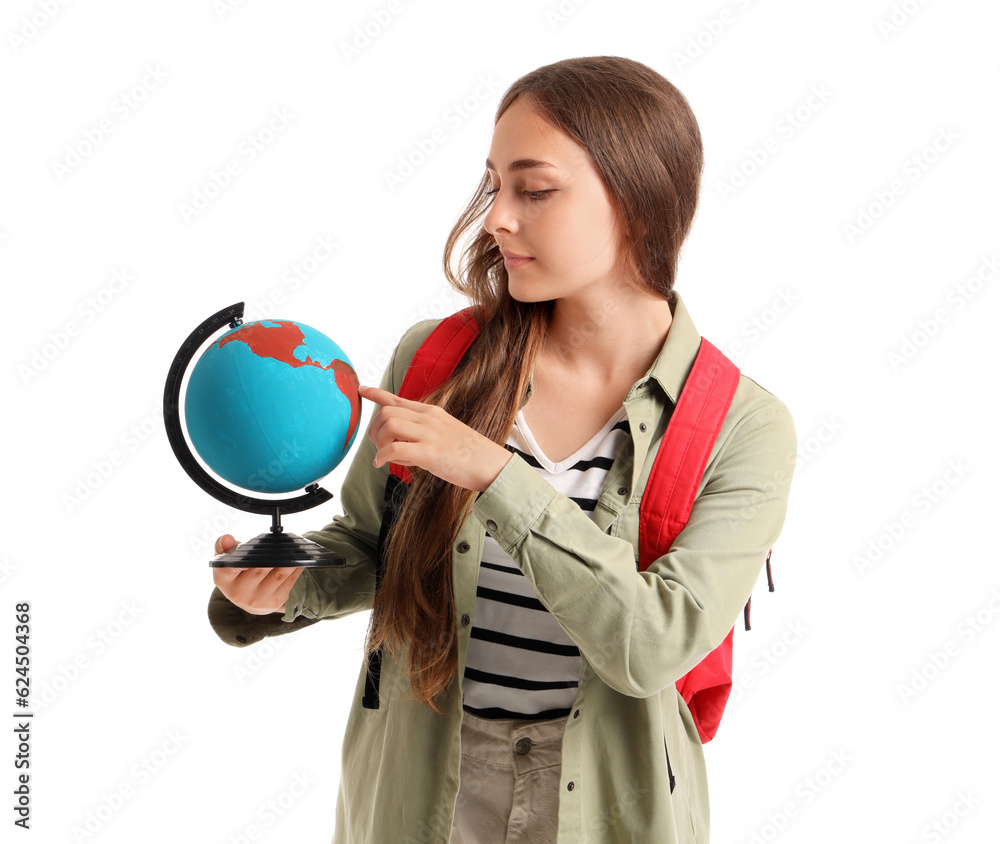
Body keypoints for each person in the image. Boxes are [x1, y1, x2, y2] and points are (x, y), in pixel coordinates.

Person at [207, 55, 797, 844]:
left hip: (612, 805)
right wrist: (280, 587)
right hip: (421, 787)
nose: (496, 218)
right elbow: (368, 549)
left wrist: (492, 474)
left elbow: (652, 645)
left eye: (536, 189)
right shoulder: (437, 361)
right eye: (494, 186)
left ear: (641, 204)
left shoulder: (743, 426)